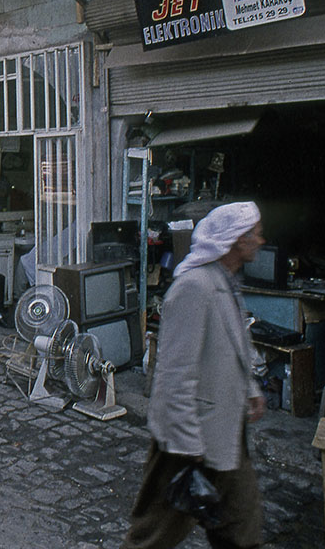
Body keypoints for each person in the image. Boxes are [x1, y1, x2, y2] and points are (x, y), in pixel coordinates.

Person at [122, 201, 267, 549]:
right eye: (256, 234)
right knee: (153, 537)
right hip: (189, 439)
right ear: (235, 240)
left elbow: (232, 343)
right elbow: (174, 374)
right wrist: (188, 445)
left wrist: (249, 388)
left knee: (241, 531)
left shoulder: (225, 282)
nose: (261, 241)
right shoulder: (194, 288)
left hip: (225, 433)